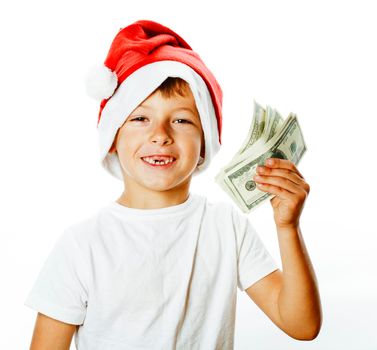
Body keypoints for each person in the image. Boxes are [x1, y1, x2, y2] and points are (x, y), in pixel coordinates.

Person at [24, 20, 322, 349]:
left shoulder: (226, 228)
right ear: (112, 137)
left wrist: (288, 227)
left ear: (205, 143)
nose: (161, 135)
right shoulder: (82, 245)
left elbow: (301, 324)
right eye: (140, 118)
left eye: (181, 120)